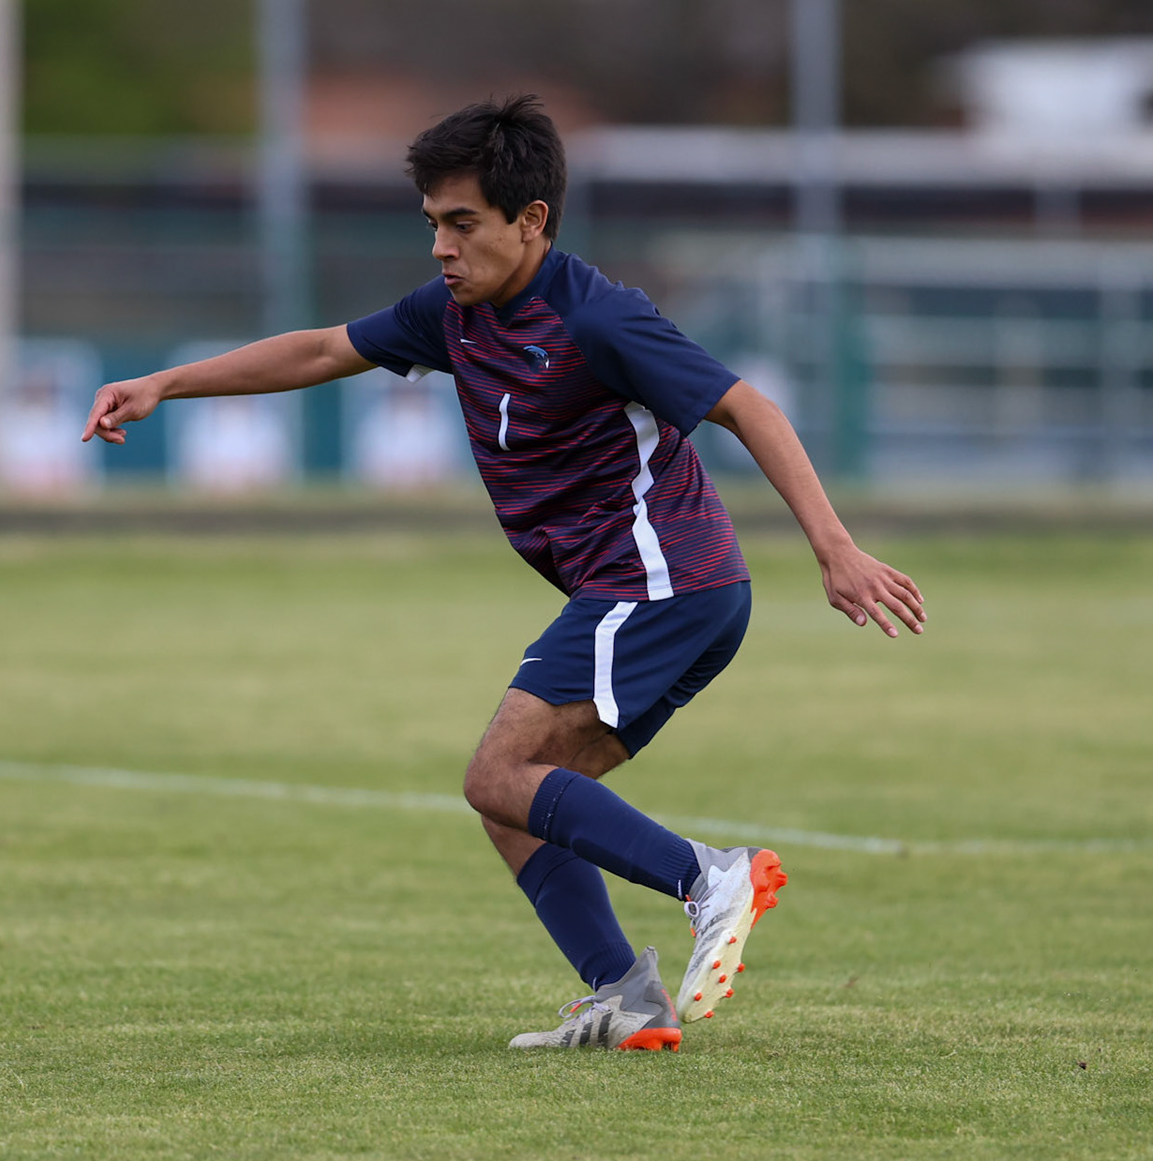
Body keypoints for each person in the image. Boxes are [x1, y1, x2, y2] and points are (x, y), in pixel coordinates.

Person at [82, 95, 924, 1052]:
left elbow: (750, 409)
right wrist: (166, 383)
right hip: (654, 592)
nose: (442, 246)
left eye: (463, 224)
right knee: (514, 798)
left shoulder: (598, 317)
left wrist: (834, 546)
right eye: (434, 224)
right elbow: (321, 349)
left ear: (532, 222)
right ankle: (624, 993)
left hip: (658, 579)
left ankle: (711, 878)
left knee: (500, 770)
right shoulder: (453, 318)